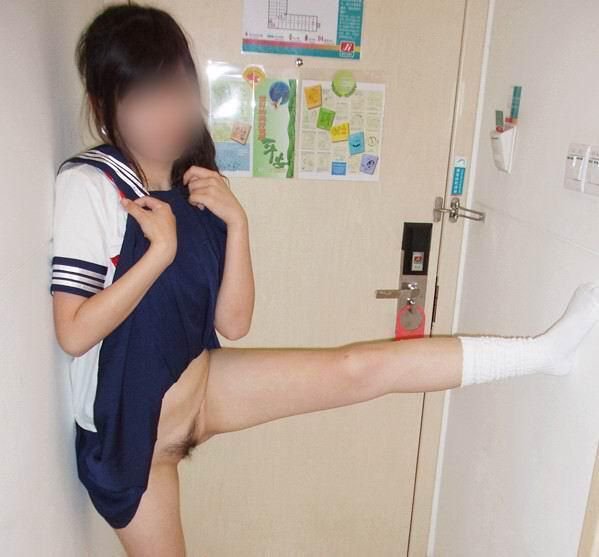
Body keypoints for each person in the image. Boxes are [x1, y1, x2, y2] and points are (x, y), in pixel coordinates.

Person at [49, 4, 599, 555]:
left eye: (175, 90)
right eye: (143, 98)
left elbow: (234, 323)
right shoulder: (93, 186)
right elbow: (73, 332)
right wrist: (159, 253)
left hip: (203, 388)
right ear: (104, 106)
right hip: (133, 442)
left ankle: (543, 353)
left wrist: (238, 223)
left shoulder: (198, 187)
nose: (167, 112)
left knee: (359, 368)